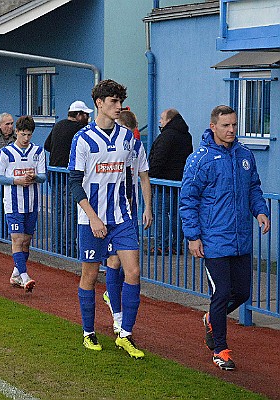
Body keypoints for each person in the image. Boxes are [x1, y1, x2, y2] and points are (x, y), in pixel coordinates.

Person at [180, 105, 270, 371]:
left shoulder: (245, 155)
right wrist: (193, 237)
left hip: (241, 238)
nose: (231, 130)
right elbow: (188, 199)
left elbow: (254, 187)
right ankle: (220, 350)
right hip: (214, 240)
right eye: (225, 125)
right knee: (221, 293)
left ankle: (211, 318)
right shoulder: (200, 159)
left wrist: (260, 211)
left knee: (242, 292)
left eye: (234, 125)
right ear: (213, 127)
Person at [68, 79, 144, 359]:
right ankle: (88, 332)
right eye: (113, 101)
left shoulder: (128, 137)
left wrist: (140, 206)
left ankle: (125, 333)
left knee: (133, 272)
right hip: (92, 219)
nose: (118, 106)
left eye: (119, 101)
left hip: (122, 216)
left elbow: (137, 173)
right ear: (99, 103)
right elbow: (75, 183)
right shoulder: (83, 139)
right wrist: (93, 217)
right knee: (89, 275)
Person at [103, 109, 153, 334]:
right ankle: (117, 315)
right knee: (114, 262)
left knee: (130, 266)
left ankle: (115, 301)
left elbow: (144, 177)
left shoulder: (136, 147)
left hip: (129, 212)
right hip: (109, 213)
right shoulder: (105, 146)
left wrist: (147, 208)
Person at [0, 115, 46, 292]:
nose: (25, 139)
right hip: (13, 203)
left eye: (29, 135)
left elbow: (44, 176)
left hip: (32, 203)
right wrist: (16, 180)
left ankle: (16, 273)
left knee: (26, 242)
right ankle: (25, 277)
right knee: (17, 239)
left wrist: (35, 177)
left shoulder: (38, 152)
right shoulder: (6, 153)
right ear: (16, 132)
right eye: (23, 134)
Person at [44, 100, 93, 256]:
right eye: (85, 115)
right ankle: (69, 247)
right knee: (71, 212)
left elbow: (46, 145)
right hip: (70, 175)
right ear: (78, 115)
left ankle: (57, 246)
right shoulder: (81, 130)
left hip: (55, 173)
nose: (87, 118)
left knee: (58, 211)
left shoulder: (58, 125)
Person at [148, 108, 193, 255]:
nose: (160, 121)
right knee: (176, 214)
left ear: (169, 120)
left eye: (162, 118)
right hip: (180, 183)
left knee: (161, 213)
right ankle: (176, 244)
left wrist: (151, 177)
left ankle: (162, 245)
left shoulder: (167, 136)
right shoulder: (186, 136)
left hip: (163, 182)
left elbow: (158, 158)